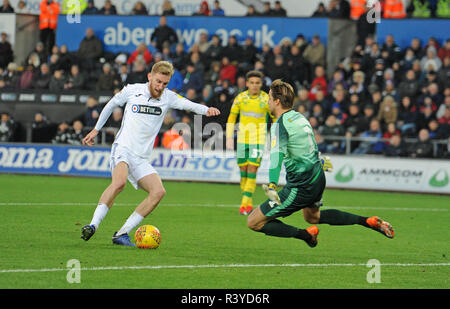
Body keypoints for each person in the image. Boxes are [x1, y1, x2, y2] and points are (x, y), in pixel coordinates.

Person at [80, 61, 220, 246]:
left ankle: (122, 234)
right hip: (123, 148)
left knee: (158, 192)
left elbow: (188, 104)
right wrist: (96, 129)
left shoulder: (168, 97)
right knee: (119, 183)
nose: (160, 86)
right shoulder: (132, 90)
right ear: (150, 77)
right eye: (158, 82)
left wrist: (206, 110)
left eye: (165, 83)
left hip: (141, 157)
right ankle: (93, 225)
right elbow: (110, 105)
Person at [246, 79, 394, 249]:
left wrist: (272, 183)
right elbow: (309, 144)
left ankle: (305, 234)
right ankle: (367, 221)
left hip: (300, 186)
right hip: (317, 177)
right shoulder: (300, 117)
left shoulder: (279, 126)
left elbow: (276, 157)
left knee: (253, 222)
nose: (268, 101)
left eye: (270, 98)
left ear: (277, 101)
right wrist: (320, 160)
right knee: (312, 217)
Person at [225, 71, 272, 215]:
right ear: (247, 84)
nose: (254, 85)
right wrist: (228, 137)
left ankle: (244, 204)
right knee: (244, 171)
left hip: (258, 140)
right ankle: (248, 203)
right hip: (242, 140)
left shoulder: (267, 99)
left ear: (261, 84)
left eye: (257, 83)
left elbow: (275, 118)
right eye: (252, 83)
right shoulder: (240, 98)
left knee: (252, 169)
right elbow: (232, 118)